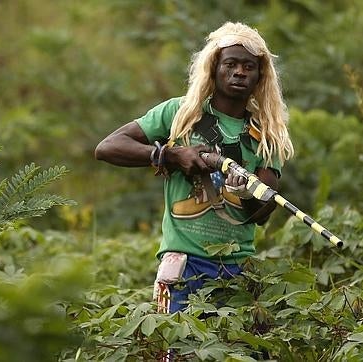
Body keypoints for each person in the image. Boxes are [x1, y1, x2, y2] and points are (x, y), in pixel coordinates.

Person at [94, 22, 294, 314]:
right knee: (174, 353)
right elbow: (108, 147)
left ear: (259, 76)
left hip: (239, 268)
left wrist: (247, 192)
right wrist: (171, 156)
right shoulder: (180, 113)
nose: (239, 72)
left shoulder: (268, 132)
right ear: (214, 67)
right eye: (231, 64)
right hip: (184, 264)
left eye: (248, 66)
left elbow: (263, 212)